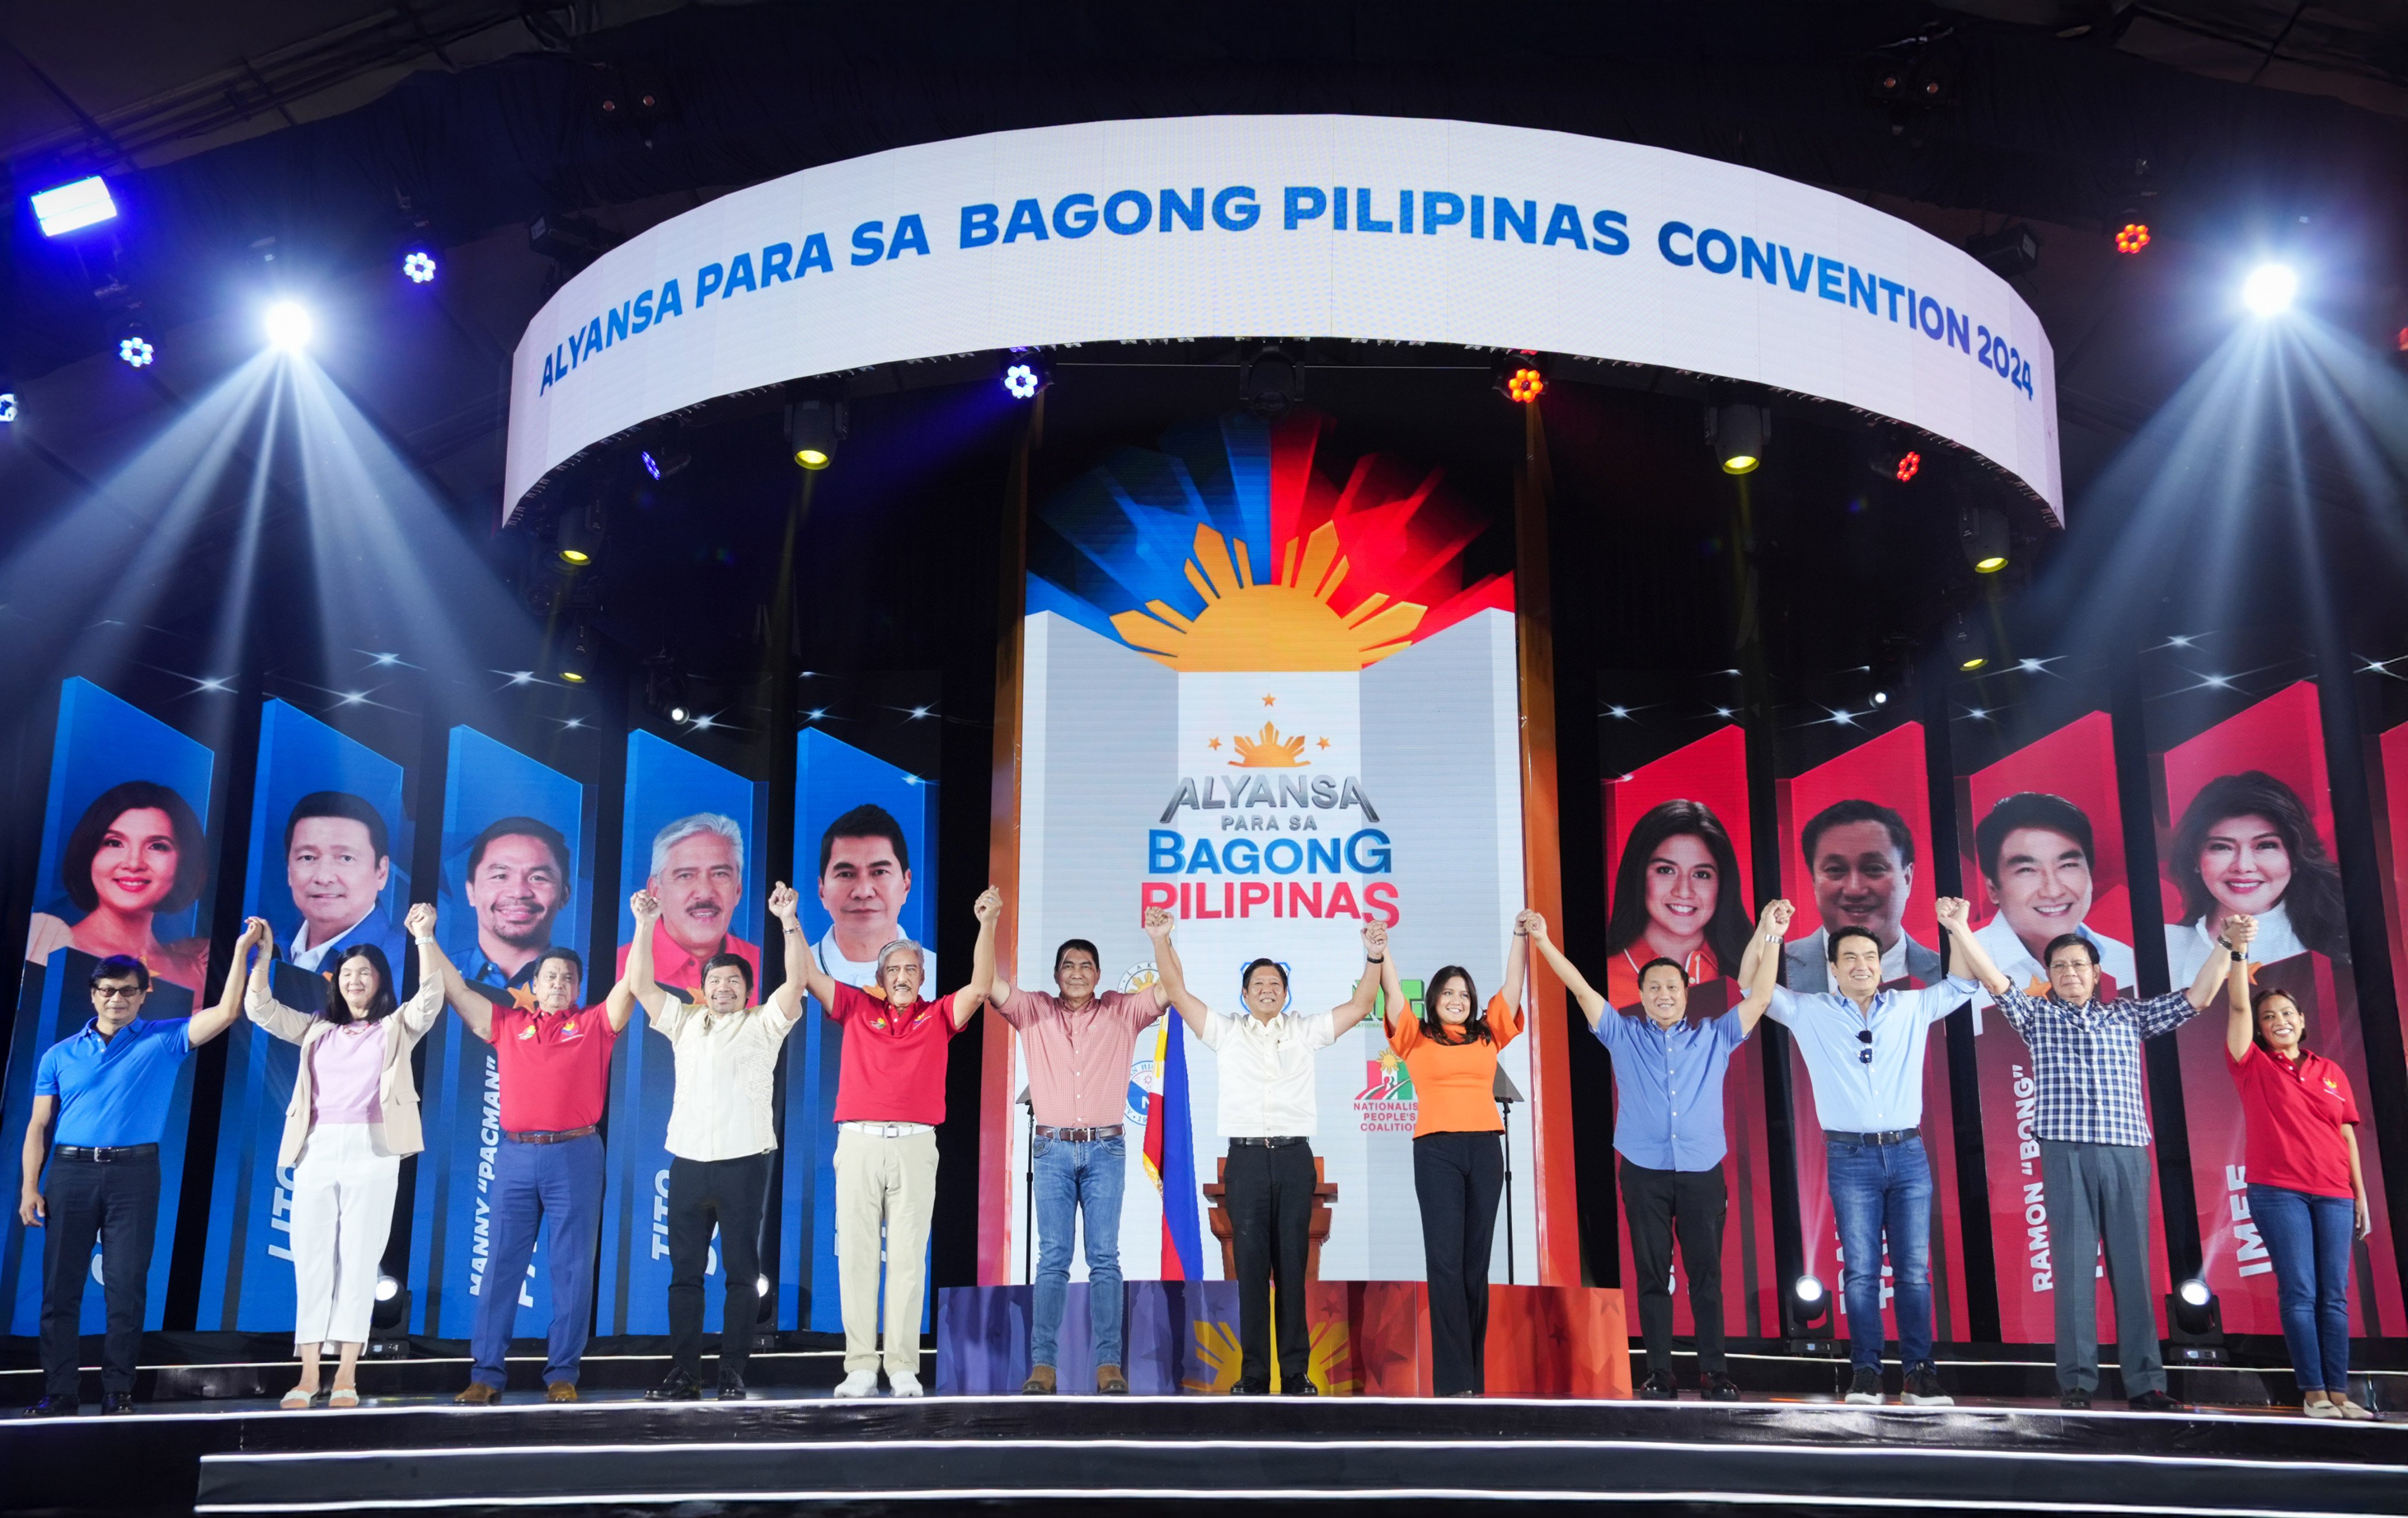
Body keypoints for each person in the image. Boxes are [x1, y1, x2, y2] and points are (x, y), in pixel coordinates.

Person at [1954, 903, 2249, 1412]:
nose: (2069, 973)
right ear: (2048, 976)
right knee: (2071, 1268)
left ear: (2096, 973)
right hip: (2065, 1151)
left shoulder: (2126, 1016)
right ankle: (2075, 1383)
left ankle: (2147, 1383)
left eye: (2078, 965)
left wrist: (2226, 945)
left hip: (2125, 1150)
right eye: (2060, 966)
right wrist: (1959, 927)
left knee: (2133, 1268)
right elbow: (1993, 979)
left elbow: (2198, 998)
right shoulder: (2036, 1015)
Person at [1534, 900, 1789, 1400]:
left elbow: (1759, 998)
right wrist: (1543, 941)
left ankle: (1715, 1374)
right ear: (1641, 994)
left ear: (1686, 992)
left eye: (1672, 986)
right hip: (1643, 1172)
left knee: (1705, 1277)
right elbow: (1581, 988)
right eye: (1653, 987)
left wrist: (1773, 936)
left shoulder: (1714, 1036)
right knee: (1653, 1277)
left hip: (1700, 1172)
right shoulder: (1622, 1034)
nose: (1663, 993)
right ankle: (1658, 1374)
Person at [1752, 896, 1986, 1406]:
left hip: (1907, 1154)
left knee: (1912, 1271)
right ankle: (1865, 1373)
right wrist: (1770, 934)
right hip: (1850, 1158)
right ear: (1832, 968)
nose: (1862, 966)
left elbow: (1965, 985)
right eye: (1850, 959)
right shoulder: (1809, 1011)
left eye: (1871, 958)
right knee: (1860, 1271)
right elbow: (1757, 990)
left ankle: (1920, 1373)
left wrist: (1955, 928)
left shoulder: (1908, 1005)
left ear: (1883, 965)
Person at [1149, 912, 1387, 1396]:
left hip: (1296, 1157)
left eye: (1274, 982)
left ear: (1285, 992)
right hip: (1246, 1162)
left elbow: (1363, 1003)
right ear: (1243, 993)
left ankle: (1295, 1373)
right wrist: (1161, 939)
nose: (1266, 988)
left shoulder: (1305, 1030)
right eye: (1257, 982)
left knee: (1293, 1269)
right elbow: (1175, 991)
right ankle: (1254, 1374)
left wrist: (1375, 954)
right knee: (1252, 1269)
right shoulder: (1225, 1031)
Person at [787, 886, 1000, 1397]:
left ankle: (902, 1364)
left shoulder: (939, 1015)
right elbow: (806, 977)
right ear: (879, 979)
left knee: (908, 1257)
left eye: (911, 969)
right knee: (857, 1255)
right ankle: (859, 1364)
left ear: (922, 977)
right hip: (859, 1142)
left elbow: (982, 984)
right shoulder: (857, 1007)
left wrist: (987, 923)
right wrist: (790, 922)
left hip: (914, 1146)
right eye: (893, 970)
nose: (902, 977)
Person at [18, 946, 243, 1415]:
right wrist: (29, 1186)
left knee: (126, 1285)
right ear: (93, 994)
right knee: (60, 1288)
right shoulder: (59, 1054)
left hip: (135, 1174)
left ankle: (117, 1390)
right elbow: (39, 1124)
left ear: (144, 996)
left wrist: (241, 950)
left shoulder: (164, 1039)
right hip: (70, 1171)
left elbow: (226, 1012)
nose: (115, 999)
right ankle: (60, 1392)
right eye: (106, 990)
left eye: (127, 991)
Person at [241, 906, 447, 1409]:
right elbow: (260, 1009)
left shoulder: (396, 1026)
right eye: (348, 973)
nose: (355, 980)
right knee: (311, 1261)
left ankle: (348, 1374)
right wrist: (264, 955)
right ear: (337, 981)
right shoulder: (316, 1028)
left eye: (365, 973)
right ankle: (309, 1375)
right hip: (316, 1148)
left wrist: (423, 937)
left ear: (380, 981)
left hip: (374, 1149)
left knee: (358, 1263)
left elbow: (432, 998)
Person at [430, 928, 642, 1403]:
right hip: (517, 1155)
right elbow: (458, 990)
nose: (559, 983)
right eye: (551, 976)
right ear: (536, 981)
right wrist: (426, 938)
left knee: (570, 1267)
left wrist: (643, 926)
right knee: (501, 1263)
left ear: (578, 986)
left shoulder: (593, 1024)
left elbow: (631, 984)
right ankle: (485, 1374)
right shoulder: (508, 1024)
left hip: (576, 1153)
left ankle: (563, 1372)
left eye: (568, 977)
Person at [627, 882, 812, 1402]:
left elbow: (796, 981)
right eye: (715, 980)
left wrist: (787, 921)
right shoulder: (686, 1023)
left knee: (739, 1275)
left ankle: (731, 1371)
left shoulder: (763, 1024)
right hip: (687, 1162)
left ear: (748, 991)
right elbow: (641, 986)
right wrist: (645, 925)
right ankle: (684, 1373)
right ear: (703, 987)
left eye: (734, 980)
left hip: (744, 1162)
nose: (724, 986)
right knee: (684, 1276)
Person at [989, 912, 1171, 1396]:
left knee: (1105, 1259)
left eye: (1085, 965)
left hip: (1106, 1148)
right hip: (1051, 1148)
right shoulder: (1033, 1010)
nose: (1076, 972)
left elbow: (1171, 989)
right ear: (1055, 975)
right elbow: (986, 981)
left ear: (1097, 973)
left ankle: (1108, 1364)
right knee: (1052, 1259)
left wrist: (1161, 939)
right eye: (1068, 965)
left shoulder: (1121, 1011)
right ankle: (1043, 1366)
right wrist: (988, 923)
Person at [1367, 915, 1536, 1398]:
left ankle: (1473, 1384)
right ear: (1434, 1000)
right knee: (1444, 1265)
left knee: (1473, 1267)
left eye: (1463, 993)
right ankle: (1452, 1385)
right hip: (1436, 1150)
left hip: (1484, 1149)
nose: (1457, 1000)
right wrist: (1382, 951)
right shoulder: (1414, 1036)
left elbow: (1514, 984)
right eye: (1447, 993)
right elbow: (1393, 993)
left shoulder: (1488, 1034)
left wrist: (1519, 936)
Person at [2225, 934, 2375, 1420]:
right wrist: (2237, 954)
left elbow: (2347, 1135)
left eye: (2286, 1013)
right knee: (2300, 1291)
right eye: (2268, 1016)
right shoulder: (2252, 1066)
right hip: (2279, 1192)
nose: (2278, 1021)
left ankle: (2339, 1393)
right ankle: (2312, 1393)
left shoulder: (2330, 1070)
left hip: (2333, 1194)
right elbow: (2237, 1008)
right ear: (2261, 1029)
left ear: (2302, 1020)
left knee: (2334, 1294)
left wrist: (2360, 1196)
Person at [2163, 771, 2349, 986]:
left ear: (2296, 855)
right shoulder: (2163, 948)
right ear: (2196, 858)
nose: (2243, 867)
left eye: (2265, 845)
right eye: (2222, 847)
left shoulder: (2341, 944)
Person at [23, 780, 211, 991]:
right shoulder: (43, 945)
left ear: (184, 863)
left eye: (157, 846)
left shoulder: (199, 968)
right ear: (89, 853)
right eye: (114, 843)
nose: (133, 863)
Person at [1966, 792, 2137, 1008]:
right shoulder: (1963, 970)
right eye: (2027, 870)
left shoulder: (2122, 960)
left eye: (2067, 866)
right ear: (1993, 889)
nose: (2053, 891)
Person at [1602, 800, 1754, 1010]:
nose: (1684, 891)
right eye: (1666, 870)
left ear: (1723, 884)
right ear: (1637, 875)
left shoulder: (1753, 971)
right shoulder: (1600, 977)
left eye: (1702, 874)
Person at [1781, 799, 1941, 993]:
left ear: (1907, 879)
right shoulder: (1773, 969)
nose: (1854, 890)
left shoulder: (1947, 974)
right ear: (1814, 880)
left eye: (1874, 869)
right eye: (1835, 870)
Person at [617, 813, 761, 996]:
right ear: (656, 891)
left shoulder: (763, 964)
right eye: (685, 875)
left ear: (738, 890)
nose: (705, 892)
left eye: (720, 874)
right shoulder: (619, 968)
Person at [280, 792, 406, 975]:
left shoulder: (411, 966)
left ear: (382, 872)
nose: (323, 877)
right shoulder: (259, 951)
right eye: (308, 857)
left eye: (346, 858)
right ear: (289, 870)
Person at [813, 804, 937, 989]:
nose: (863, 892)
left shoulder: (938, 976)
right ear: (822, 890)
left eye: (879, 872)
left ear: (906, 884)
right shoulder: (793, 976)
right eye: (846, 874)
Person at [459, 816, 575, 993]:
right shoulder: (435, 974)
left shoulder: (602, 992)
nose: (519, 893)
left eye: (538, 878)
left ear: (564, 895)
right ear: (471, 892)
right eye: (500, 876)